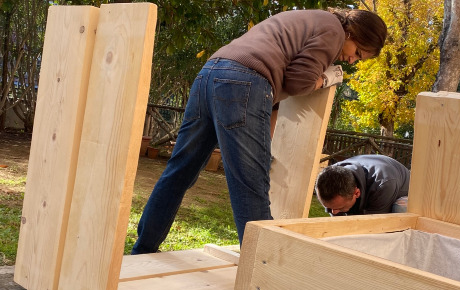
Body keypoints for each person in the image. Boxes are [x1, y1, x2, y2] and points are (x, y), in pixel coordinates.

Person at [132, 8, 388, 254]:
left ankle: (143, 250)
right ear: (355, 34)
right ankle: (262, 270)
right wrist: (326, 78)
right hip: (243, 81)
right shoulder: (334, 31)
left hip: (210, 74)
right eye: (358, 53)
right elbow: (299, 81)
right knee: (251, 185)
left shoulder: (308, 20)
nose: (352, 60)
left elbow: (274, 96)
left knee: (180, 172)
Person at [315, 154, 411, 216]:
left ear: (357, 193)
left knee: (400, 208)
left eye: (339, 208)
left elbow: (373, 228)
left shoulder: (383, 184)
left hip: (406, 197)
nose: (333, 213)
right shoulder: (329, 175)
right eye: (328, 207)